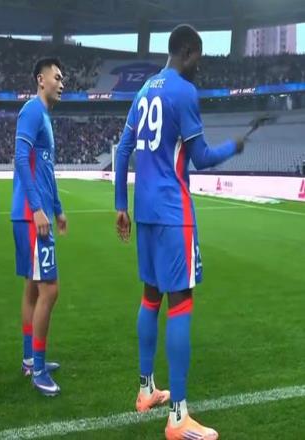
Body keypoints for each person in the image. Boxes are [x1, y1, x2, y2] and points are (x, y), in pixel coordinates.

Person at [114, 24, 245, 440]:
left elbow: (123, 150)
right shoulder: (183, 92)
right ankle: (178, 417)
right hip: (174, 212)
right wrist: (233, 147)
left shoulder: (143, 91)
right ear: (186, 51)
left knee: (150, 296)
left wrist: (120, 206)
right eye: (197, 59)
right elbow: (202, 157)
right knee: (181, 302)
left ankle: (145, 389)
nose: (198, 67)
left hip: (145, 211)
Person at [11, 57, 67, 396]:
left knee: (33, 289)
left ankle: (30, 359)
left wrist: (57, 208)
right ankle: (39, 369)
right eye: (57, 77)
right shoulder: (32, 111)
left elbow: (46, 170)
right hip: (32, 216)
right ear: (40, 79)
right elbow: (20, 158)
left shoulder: (44, 116)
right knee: (50, 290)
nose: (62, 83)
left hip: (36, 213)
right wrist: (37, 208)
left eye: (63, 79)